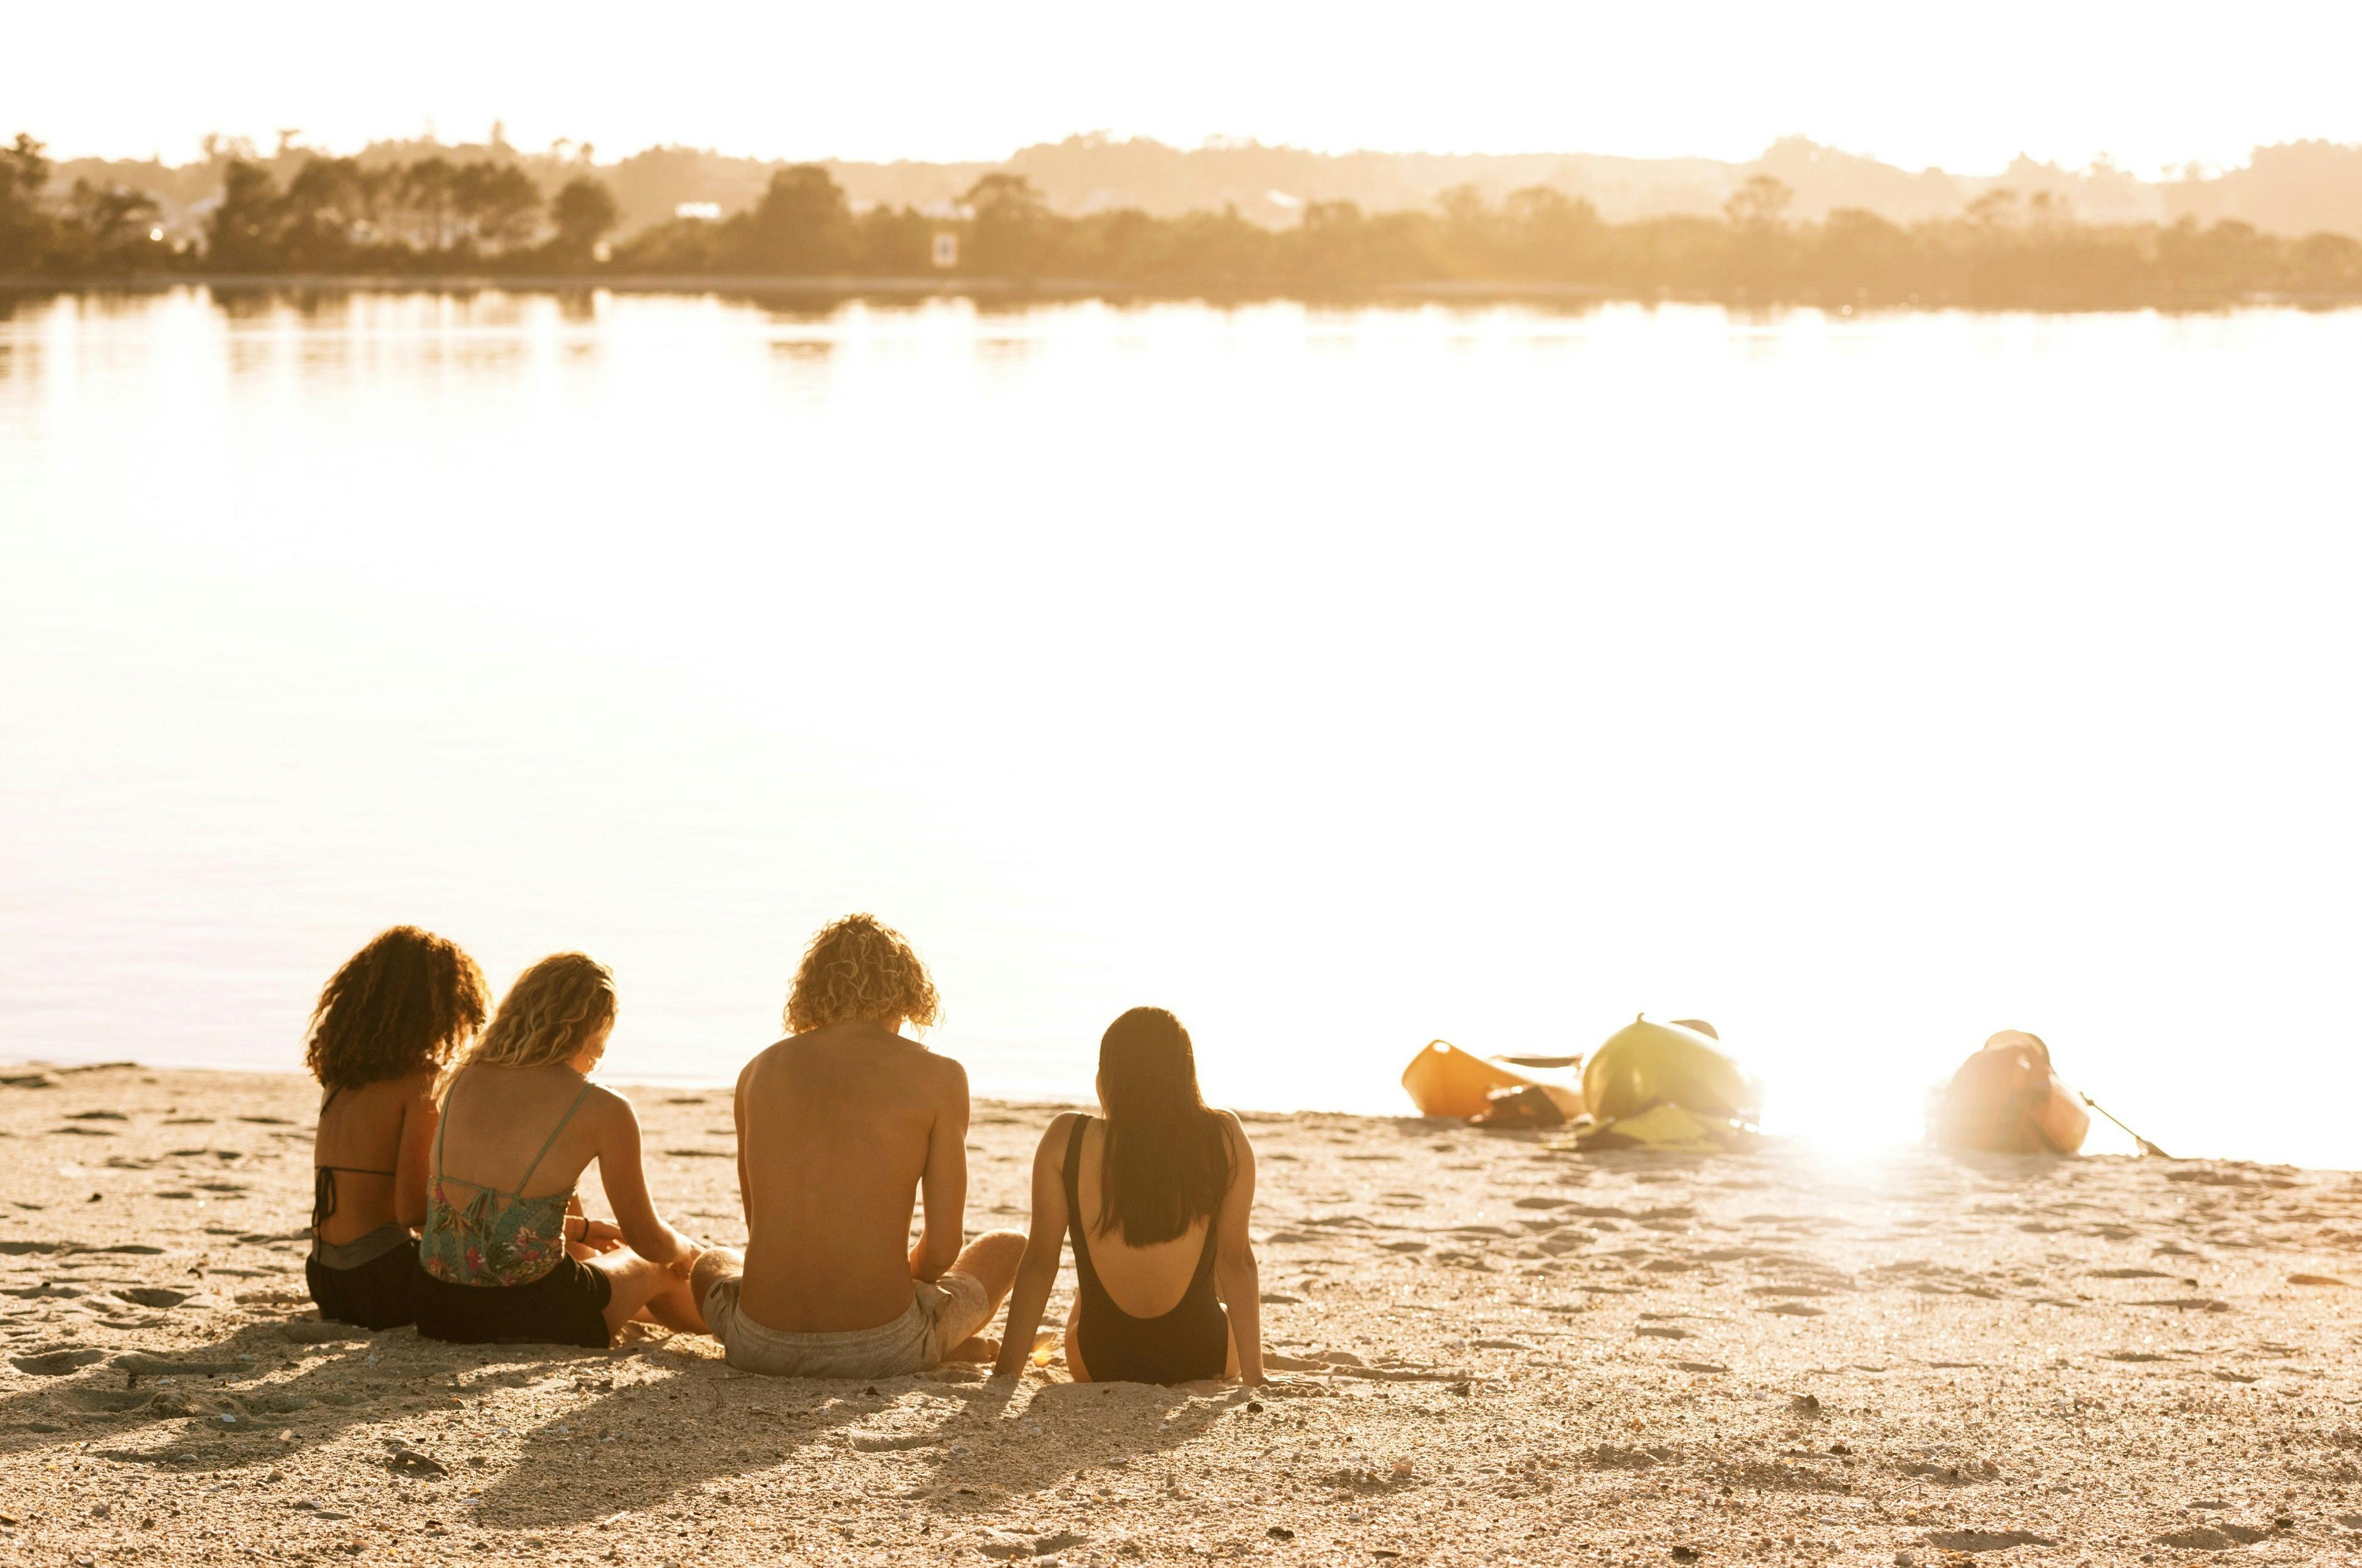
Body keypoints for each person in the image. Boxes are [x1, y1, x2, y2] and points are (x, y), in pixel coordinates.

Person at [691, 914, 1023, 1379]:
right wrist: (896, 1281)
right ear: (909, 990)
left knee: (709, 1263)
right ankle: (940, 1341)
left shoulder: (758, 1071)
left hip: (758, 1343)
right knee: (1008, 1246)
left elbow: (760, 1226)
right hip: (881, 1347)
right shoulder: (940, 1077)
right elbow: (943, 1250)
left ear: (810, 989)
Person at [413, 952, 707, 1348]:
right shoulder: (604, 1107)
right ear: (595, 1027)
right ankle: (734, 1328)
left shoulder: (465, 1078)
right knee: (665, 1266)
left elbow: (487, 1213)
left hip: (440, 1310)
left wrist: (585, 1229)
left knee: (589, 1253)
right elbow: (648, 1240)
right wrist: (686, 1249)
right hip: (539, 1314)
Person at [993, 1006, 1264, 1385]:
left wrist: (1005, 1373)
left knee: (1087, 1291)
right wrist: (1256, 1379)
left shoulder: (1066, 1138)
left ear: (1108, 1076)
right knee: (1215, 1263)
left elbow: (1040, 1262)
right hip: (1206, 1356)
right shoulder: (1224, 1136)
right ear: (1185, 1076)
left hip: (1099, 1359)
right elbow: (1237, 1262)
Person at [304, 925, 489, 1330]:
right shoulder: (419, 1084)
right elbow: (412, 1211)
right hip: (381, 1280)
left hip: (324, 1277)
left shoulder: (341, 1080)